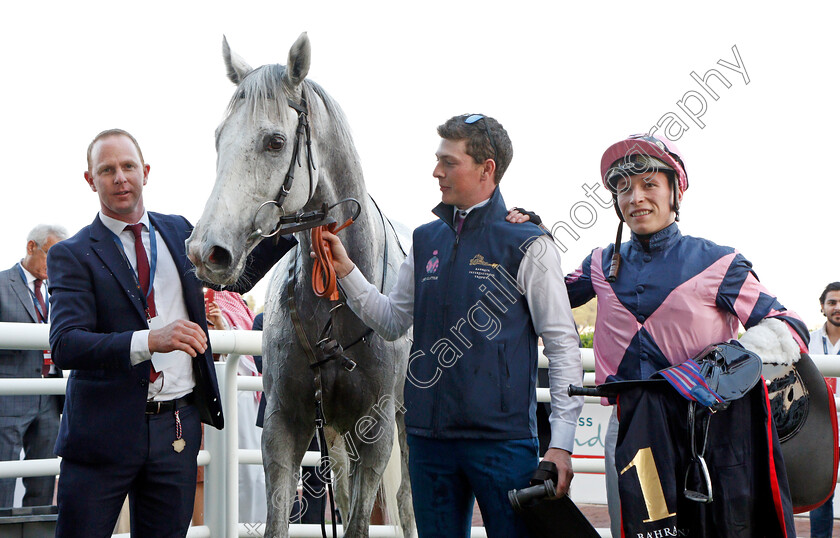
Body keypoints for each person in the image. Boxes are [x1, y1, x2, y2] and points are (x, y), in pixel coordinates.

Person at [511, 133, 808, 537]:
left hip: (705, 431)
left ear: (675, 194)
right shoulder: (599, 263)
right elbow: (542, 295)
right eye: (623, 188)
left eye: (649, 184)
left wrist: (712, 372)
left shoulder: (719, 261)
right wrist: (530, 241)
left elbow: (788, 327)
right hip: (629, 425)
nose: (635, 198)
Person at [317, 113, 583, 537]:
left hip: (503, 444)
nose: (436, 171)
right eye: (437, 159)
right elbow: (391, 321)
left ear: (487, 168)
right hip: (427, 443)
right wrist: (346, 269)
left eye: (449, 161)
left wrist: (562, 444)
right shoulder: (426, 239)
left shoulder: (529, 243)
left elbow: (563, 345)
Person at [47, 128, 295, 537]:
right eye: (107, 170)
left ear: (145, 171)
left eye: (128, 166)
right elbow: (66, 345)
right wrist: (150, 340)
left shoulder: (179, 230)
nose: (120, 177)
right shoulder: (71, 254)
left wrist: (290, 231)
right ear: (91, 180)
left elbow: (234, 274)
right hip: (101, 435)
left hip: (176, 432)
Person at [0, 224, 67, 507]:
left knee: (43, 479)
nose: (57, 265)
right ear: (31, 247)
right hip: (9, 398)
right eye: (52, 254)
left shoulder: (63, 290)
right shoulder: (2, 284)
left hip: (50, 399)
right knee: (3, 480)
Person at [205, 290, 266, 524]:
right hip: (224, 399)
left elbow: (248, 355)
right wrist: (216, 324)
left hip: (247, 400)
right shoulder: (204, 302)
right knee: (227, 472)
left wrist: (221, 325)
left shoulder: (237, 303)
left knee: (254, 474)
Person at [809, 281, 840, 537]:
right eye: (832, 302)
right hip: (820, 427)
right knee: (821, 493)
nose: (838, 307)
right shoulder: (806, 342)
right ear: (822, 307)